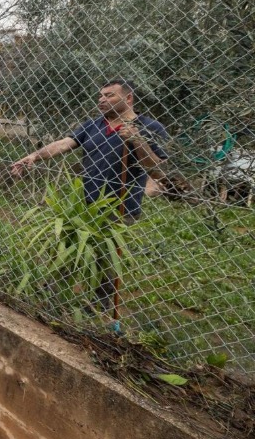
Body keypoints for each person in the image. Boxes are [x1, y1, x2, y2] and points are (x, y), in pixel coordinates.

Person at [10, 79, 168, 310]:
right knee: (69, 244)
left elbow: (157, 168)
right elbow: (64, 143)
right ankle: (54, 290)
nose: (102, 100)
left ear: (128, 98)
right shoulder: (93, 125)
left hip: (121, 205)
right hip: (85, 203)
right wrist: (34, 156)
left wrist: (137, 141)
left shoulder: (150, 127)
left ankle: (100, 304)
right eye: (100, 96)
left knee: (107, 255)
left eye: (110, 95)